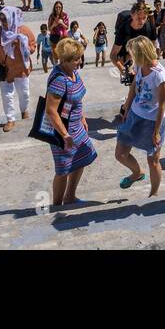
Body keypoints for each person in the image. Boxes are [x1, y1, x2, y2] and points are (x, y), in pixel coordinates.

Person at [42, 38, 97, 206]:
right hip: (62, 131)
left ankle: (70, 196)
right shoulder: (60, 79)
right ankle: (57, 205)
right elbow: (51, 110)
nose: (80, 61)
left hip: (76, 126)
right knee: (63, 169)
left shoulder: (72, 72)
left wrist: (82, 117)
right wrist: (64, 135)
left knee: (82, 158)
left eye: (80, 57)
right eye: (76, 58)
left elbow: (76, 98)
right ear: (64, 60)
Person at [116, 35, 165, 196]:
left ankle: (153, 194)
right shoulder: (139, 65)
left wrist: (157, 131)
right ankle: (137, 173)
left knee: (153, 161)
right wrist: (126, 108)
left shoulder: (160, 75)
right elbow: (133, 86)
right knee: (120, 154)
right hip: (134, 115)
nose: (130, 56)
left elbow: (162, 106)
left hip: (152, 122)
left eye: (132, 53)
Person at [0, 5, 35, 132]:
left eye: (4, 19)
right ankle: (10, 119)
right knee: (7, 95)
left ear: (12, 18)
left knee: (24, 93)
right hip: (4, 69)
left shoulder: (24, 31)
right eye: (0, 19)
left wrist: (21, 45)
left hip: (20, 68)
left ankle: (24, 111)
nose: (2, 22)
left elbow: (33, 47)